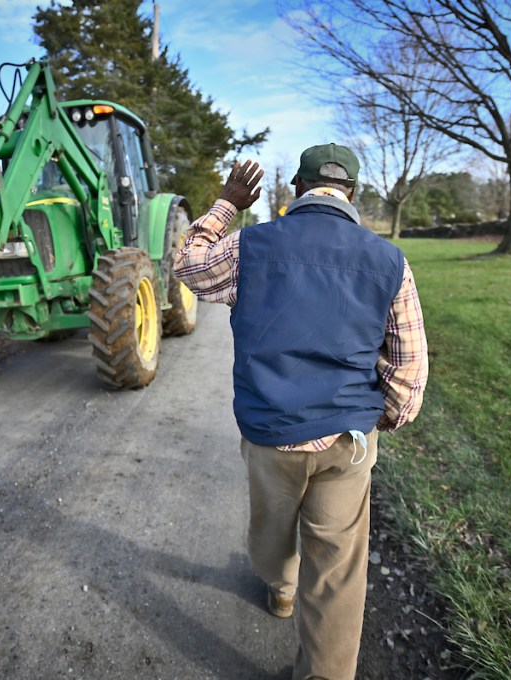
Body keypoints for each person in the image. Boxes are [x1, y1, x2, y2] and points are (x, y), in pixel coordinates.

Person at [173, 144, 429, 680]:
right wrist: (382, 418)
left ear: (297, 187)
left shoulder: (250, 246)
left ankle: (281, 586)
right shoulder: (390, 262)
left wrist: (227, 204)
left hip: (271, 434)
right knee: (336, 570)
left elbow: (188, 266)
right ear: (353, 193)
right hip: (347, 440)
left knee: (271, 531)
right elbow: (408, 368)